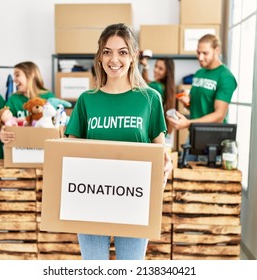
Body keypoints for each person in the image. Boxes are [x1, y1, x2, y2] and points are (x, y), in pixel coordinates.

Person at [64, 23, 173, 260]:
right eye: (107, 51)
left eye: (122, 51)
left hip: (135, 201)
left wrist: (167, 163)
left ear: (133, 56)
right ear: (100, 57)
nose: (115, 59)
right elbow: (71, 154)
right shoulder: (86, 100)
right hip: (90, 201)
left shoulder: (150, 99)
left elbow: (159, 151)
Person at [167, 34, 237, 130]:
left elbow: (219, 116)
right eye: (198, 53)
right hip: (194, 131)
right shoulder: (199, 73)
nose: (200, 57)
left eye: (205, 53)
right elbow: (196, 107)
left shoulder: (226, 77)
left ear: (217, 50)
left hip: (213, 135)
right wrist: (187, 103)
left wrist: (188, 123)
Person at [0, 61, 55, 143]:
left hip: (43, 145)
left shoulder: (48, 97)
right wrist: (2, 131)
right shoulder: (13, 99)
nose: (14, 80)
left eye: (17, 75)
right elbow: (5, 121)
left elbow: (56, 122)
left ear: (31, 75)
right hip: (20, 146)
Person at [140, 57, 176, 146]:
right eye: (155, 66)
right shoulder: (166, 87)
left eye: (160, 69)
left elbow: (142, 84)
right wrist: (145, 67)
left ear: (167, 72)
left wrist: (143, 66)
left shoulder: (157, 87)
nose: (156, 70)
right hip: (164, 132)